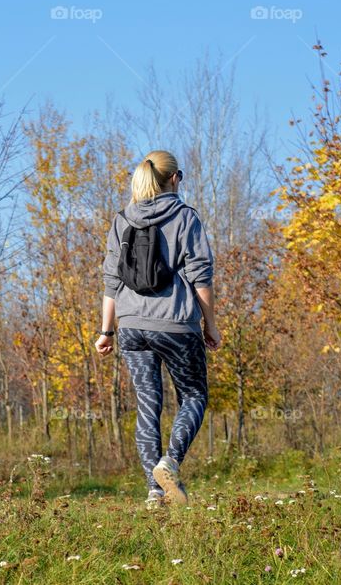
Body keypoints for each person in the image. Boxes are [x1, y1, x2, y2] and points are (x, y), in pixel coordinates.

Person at [96, 150, 219, 508]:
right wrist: (210, 324)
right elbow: (201, 276)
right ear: (175, 179)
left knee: (148, 406)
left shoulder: (122, 220)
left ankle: (154, 492)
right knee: (194, 396)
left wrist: (106, 330)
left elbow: (110, 280)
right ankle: (171, 462)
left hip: (131, 325)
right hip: (176, 323)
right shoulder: (185, 217)